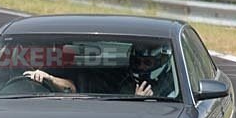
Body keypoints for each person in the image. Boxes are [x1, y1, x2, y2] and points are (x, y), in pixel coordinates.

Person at [21, 43, 175, 97]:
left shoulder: (169, 86)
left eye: (146, 63)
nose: (141, 67)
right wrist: (48, 77)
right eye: (137, 62)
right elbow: (71, 87)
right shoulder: (119, 83)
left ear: (159, 63)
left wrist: (142, 101)